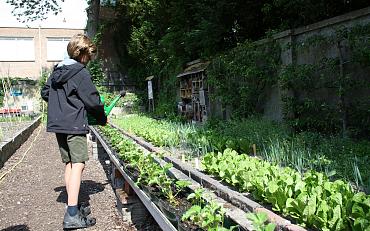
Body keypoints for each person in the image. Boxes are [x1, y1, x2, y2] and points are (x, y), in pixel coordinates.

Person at [41, 34, 107, 229]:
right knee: (79, 164)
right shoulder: (80, 72)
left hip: (58, 124)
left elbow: (46, 93)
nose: (90, 59)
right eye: (89, 55)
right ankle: (71, 214)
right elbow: (93, 100)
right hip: (74, 124)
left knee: (70, 163)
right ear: (83, 54)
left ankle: (74, 205)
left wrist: (61, 105)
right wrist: (102, 118)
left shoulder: (57, 70)